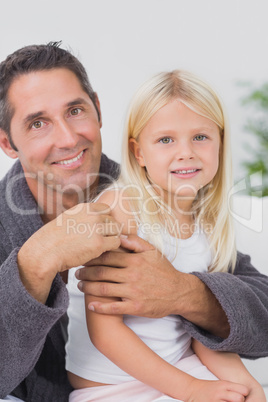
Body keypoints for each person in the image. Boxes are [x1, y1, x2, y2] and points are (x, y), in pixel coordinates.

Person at [0, 43, 267, 401]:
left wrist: (186, 293)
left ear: (97, 108)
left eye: (75, 110)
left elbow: (260, 313)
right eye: (37, 123)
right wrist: (35, 263)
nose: (66, 138)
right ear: (7, 142)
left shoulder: (165, 190)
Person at [66, 70, 266, 401]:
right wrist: (190, 390)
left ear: (221, 142)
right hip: (113, 388)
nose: (185, 152)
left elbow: (202, 332)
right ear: (139, 152)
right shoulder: (121, 207)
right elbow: (105, 333)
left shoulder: (209, 221)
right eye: (165, 140)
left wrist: (246, 385)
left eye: (200, 137)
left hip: (181, 368)